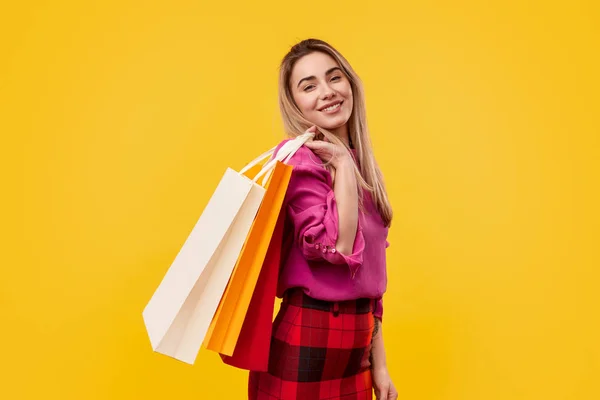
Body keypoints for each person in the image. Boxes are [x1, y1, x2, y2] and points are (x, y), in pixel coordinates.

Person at [248, 38, 397, 400]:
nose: (327, 92)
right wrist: (342, 167)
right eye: (309, 85)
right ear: (295, 102)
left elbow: (371, 282)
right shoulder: (299, 160)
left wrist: (379, 365)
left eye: (334, 78)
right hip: (307, 340)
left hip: (357, 348)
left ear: (350, 84)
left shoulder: (362, 166)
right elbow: (335, 247)